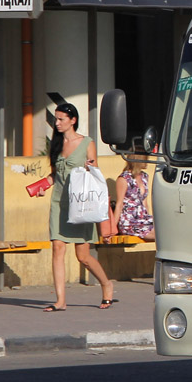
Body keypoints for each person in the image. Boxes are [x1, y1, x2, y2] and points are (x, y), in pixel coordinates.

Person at [35, 102, 116, 312]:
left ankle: (106, 284)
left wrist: (105, 220)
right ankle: (60, 301)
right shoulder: (55, 144)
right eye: (56, 119)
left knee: (83, 256)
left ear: (73, 120)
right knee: (57, 248)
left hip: (81, 204)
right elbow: (56, 175)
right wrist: (42, 186)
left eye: (62, 119)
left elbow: (96, 177)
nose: (57, 123)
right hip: (59, 202)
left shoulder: (87, 143)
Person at [112, 152, 154, 242]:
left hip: (142, 219)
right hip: (130, 221)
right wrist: (112, 229)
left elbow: (145, 203)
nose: (147, 162)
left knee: (164, 227)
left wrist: (147, 218)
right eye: (145, 159)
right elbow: (119, 204)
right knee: (160, 235)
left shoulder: (144, 176)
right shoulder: (124, 178)